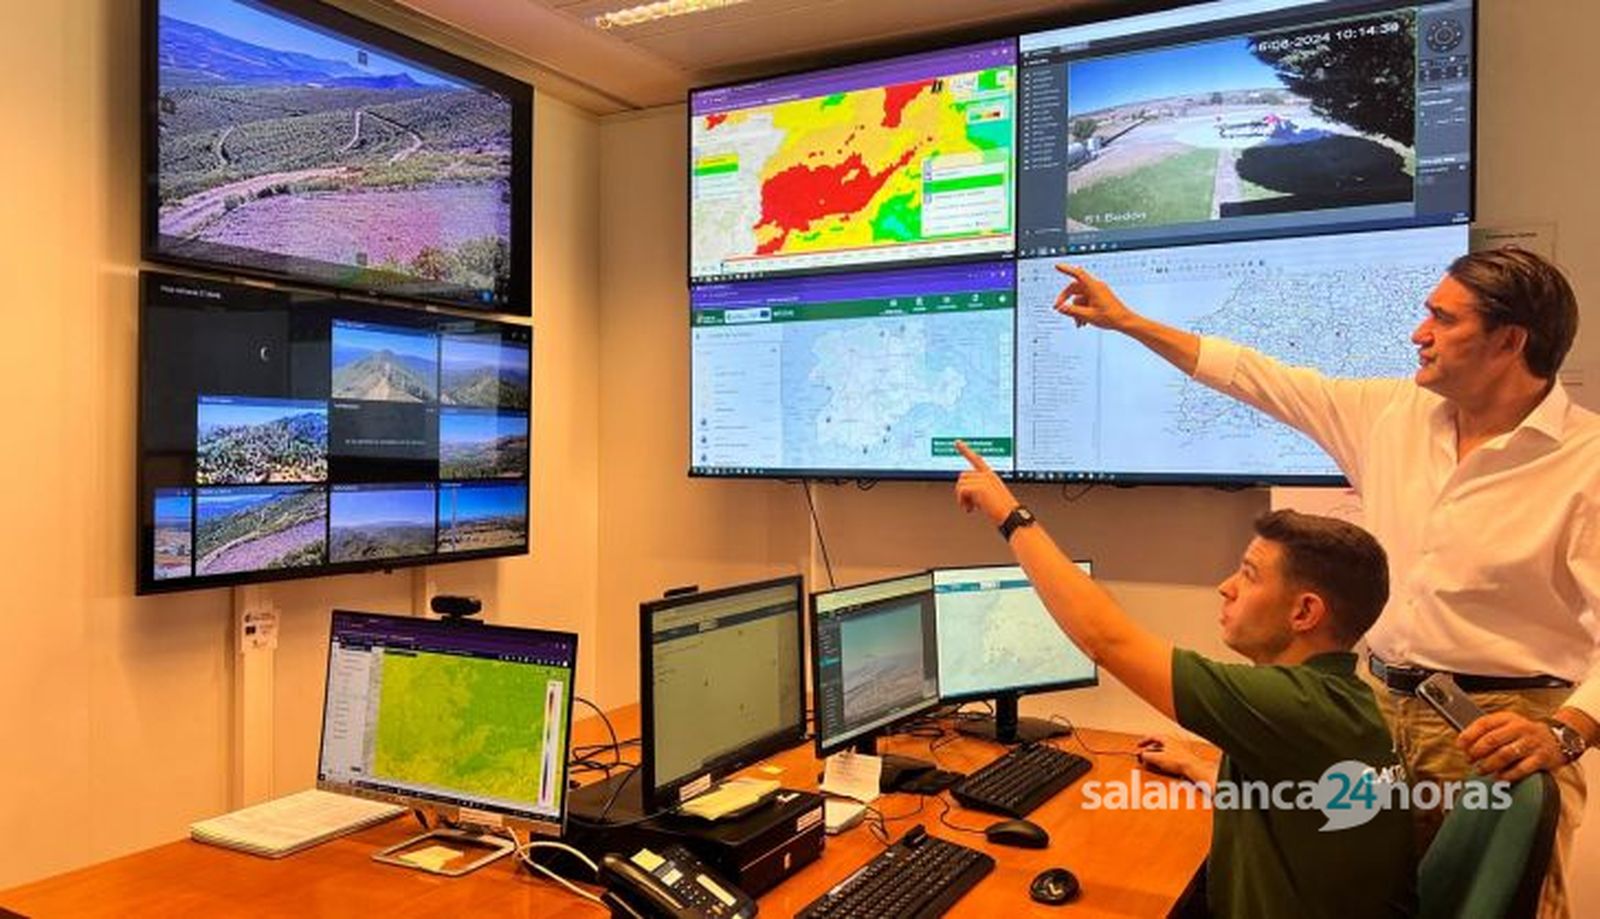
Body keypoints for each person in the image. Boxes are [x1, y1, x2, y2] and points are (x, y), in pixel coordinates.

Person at [1052, 248, 1599, 918]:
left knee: (1494, 901)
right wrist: (1130, 321)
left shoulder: (1587, 462)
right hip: (1378, 710)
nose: (1419, 333)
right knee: (1367, 897)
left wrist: (1567, 731)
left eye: (1442, 318)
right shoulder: (1391, 413)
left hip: (1497, 730)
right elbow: (1256, 376)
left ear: (1509, 341)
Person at [953, 445, 1413, 918]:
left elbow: (1106, 640)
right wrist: (1199, 769)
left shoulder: (1296, 706)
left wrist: (1010, 515)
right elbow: (1294, 798)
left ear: (1304, 612)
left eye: (1249, 576)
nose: (1226, 587)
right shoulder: (1346, 703)